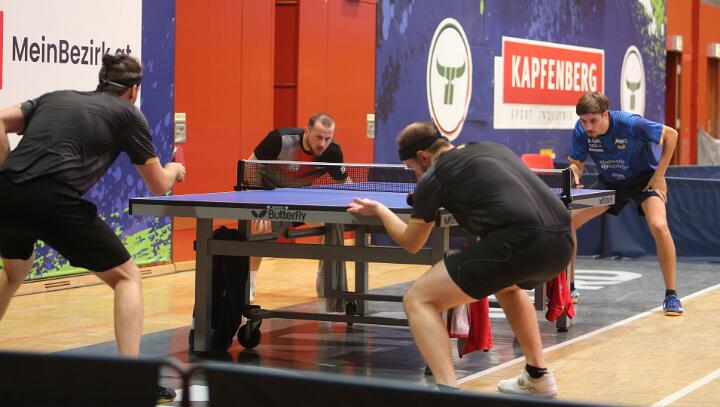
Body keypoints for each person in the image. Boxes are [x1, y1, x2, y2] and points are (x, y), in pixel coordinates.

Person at [0, 53, 185, 404]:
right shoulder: (129, 114)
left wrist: (7, 169)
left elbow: (0, 119)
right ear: (133, 90)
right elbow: (159, 185)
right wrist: (174, 169)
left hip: (6, 193)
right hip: (53, 198)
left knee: (15, 271)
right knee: (127, 277)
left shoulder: (54, 98)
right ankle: (131, 380)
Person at [347, 121, 573, 397]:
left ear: (423, 156)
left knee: (418, 299)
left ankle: (448, 392)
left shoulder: (435, 175)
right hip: (562, 242)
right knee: (507, 286)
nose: (414, 173)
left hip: (519, 244)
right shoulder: (489, 147)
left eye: (412, 167)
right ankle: (538, 375)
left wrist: (380, 210)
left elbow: (412, 243)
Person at [567, 92, 682, 315]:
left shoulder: (631, 124)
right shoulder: (581, 130)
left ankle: (672, 295)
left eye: (593, 121)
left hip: (644, 180)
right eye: (583, 121)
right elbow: (577, 164)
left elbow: (672, 135)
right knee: (567, 222)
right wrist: (573, 175)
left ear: (605, 114)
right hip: (610, 183)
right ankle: (569, 289)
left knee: (659, 226)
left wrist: (659, 175)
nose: (588, 126)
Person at [246, 113, 348, 300]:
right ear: (307, 131)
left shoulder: (332, 152)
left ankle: (325, 282)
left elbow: (345, 183)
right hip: (271, 197)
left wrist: (354, 201)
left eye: (328, 138)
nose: (322, 144)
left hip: (302, 199)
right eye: (318, 137)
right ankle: (250, 285)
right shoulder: (279, 140)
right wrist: (260, 204)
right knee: (260, 229)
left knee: (332, 224)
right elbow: (250, 167)